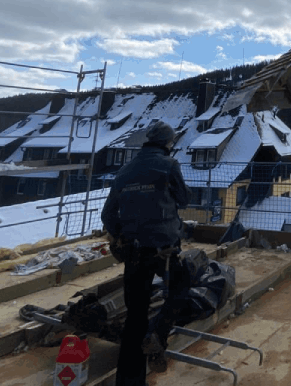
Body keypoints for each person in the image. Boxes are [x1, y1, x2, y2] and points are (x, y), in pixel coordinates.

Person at [101, 120, 190, 386]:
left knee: (134, 317)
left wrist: (122, 235)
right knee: (182, 283)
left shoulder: (125, 171)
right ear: (167, 143)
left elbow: (107, 214)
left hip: (134, 252)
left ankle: (128, 382)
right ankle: (159, 334)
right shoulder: (169, 165)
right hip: (164, 249)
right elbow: (184, 199)